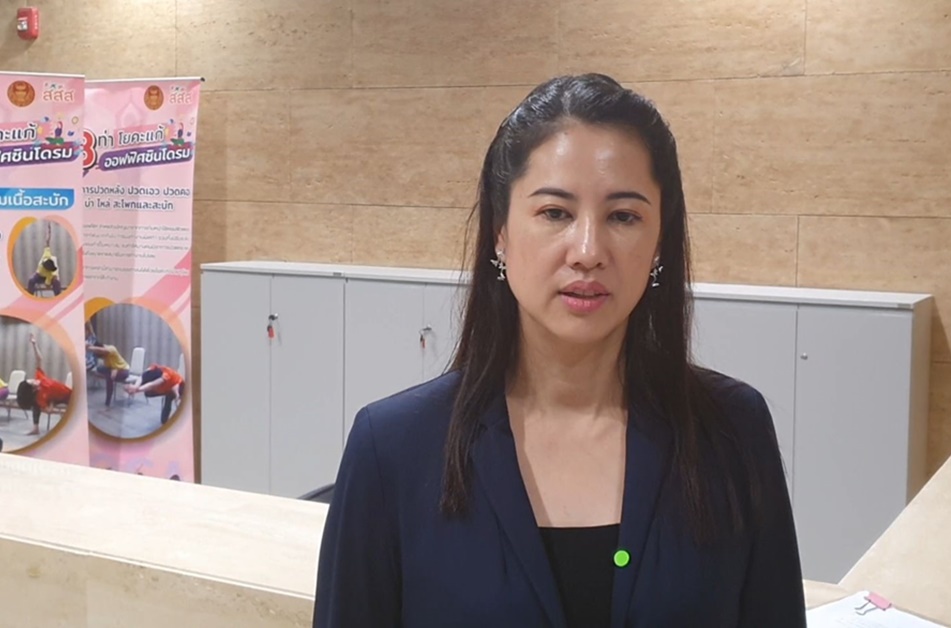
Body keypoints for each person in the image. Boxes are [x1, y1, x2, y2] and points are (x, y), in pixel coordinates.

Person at [313, 74, 805, 627]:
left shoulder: (731, 431)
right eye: (555, 213)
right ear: (500, 231)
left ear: (659, 242)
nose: (588, 251)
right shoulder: (394, 449)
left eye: (623, 216)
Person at [16, 333, 72, 436]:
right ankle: (35, 429)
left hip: (69, 394)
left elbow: (39, 359)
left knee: (36, 404)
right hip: (62, 398)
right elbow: (49, 410)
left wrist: (34, 345)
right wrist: (52, 402)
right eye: (31, 381)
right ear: (33, 389)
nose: (33, 379)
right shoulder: (39, 398)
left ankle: (36, 429)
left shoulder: (39, 377)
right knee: (36, 404)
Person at [86, 340, 130, 407]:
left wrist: (89, 348)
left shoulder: (111, 349)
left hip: (123, 370)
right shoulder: (104, 354)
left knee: (109, 377)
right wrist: (113, 369)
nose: (103, 358)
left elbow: (103, 351)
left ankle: (108, 401)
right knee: (99, 369)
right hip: (113, 368)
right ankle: (110, 374)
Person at [26, 222, 62, 297]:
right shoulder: (45, 259)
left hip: (48, 277)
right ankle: (30, 296)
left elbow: (47, 285)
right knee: (31, 280)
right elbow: (47, 242)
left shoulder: (51, 272)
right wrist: (49, 231)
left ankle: (58, 297)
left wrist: (49, 283)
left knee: (56, 282)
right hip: (39, 275)